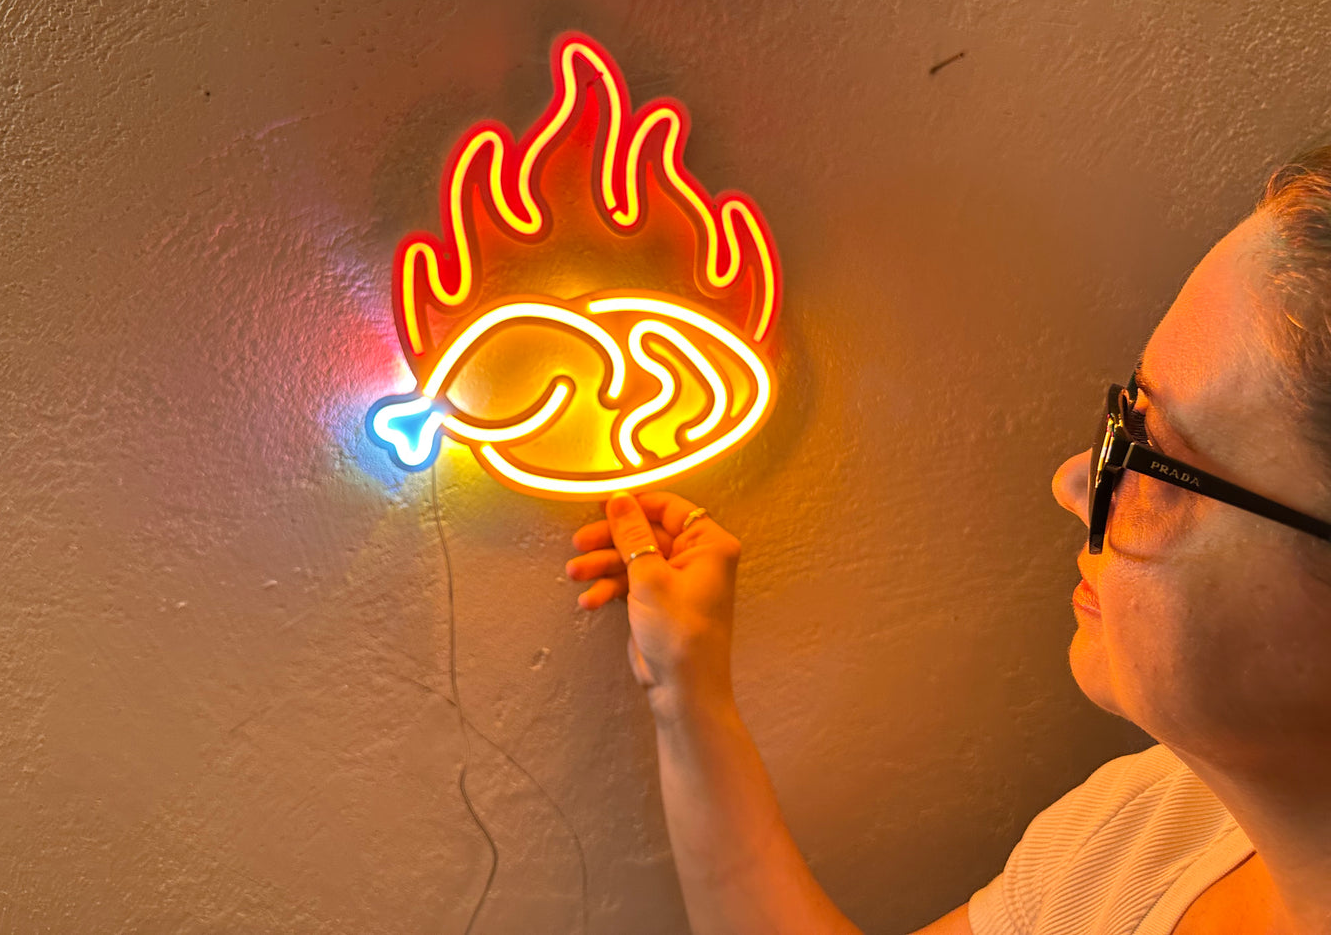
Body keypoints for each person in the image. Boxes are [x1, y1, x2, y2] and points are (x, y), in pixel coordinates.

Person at [564, 146, 1331, 935]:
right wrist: (686, 690)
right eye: (1124, 413)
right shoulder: (1145, 833)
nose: (1072, 481)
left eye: (1156, 459)